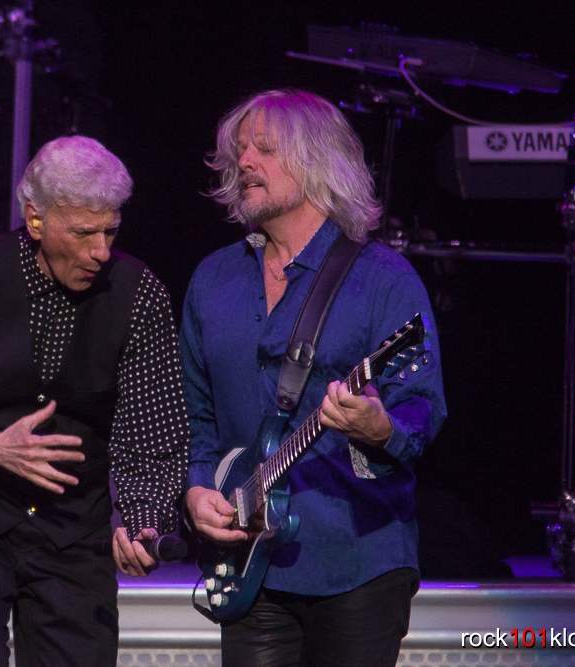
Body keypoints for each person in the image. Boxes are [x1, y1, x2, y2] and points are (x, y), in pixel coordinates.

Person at [0, 135, 189, 667]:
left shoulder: (139, 295)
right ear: (35, 220)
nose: (101, 251)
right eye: (84, 233)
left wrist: (144, 519)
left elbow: (152, 430)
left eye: (110, 231)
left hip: (72, 526)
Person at [181, 89, 447, 667]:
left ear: (318, 160)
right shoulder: (213, 280)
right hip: (249, 563)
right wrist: (199, 489)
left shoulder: (384, 280)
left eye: (265, 148)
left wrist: (379, 427)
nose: (244, 161)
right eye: (239, 149)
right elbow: (196, 417)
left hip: (356, 563)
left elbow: (420, 409)